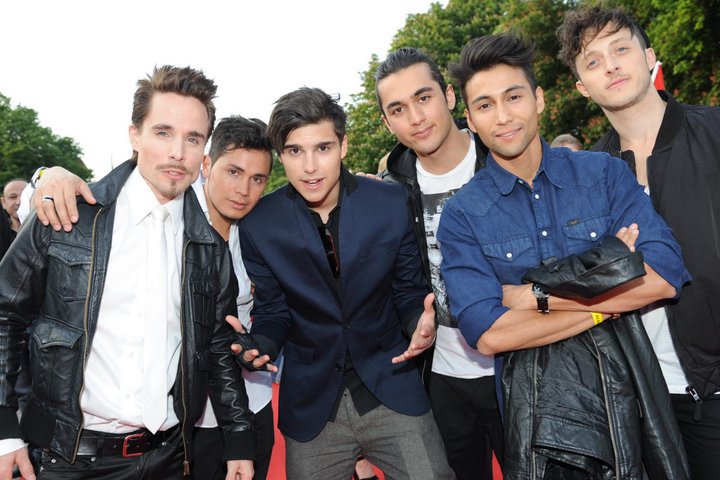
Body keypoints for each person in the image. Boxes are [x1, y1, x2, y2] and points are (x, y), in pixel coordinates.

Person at [437, 33, 691, 478]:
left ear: (538, 99)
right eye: (485, 105)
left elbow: (663, 276)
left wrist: (535, 296)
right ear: (471, 120)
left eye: (513, 97)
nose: (503, 116)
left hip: (631, 402)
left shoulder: (604, 173)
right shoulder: (462, 215)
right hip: (536, 423)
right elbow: (489, 333)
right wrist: (608, 294)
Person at [0, 65, 255, 480]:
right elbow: (5, 313)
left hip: (169, 458)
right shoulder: (67, 217)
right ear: (135, 135)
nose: (177, 152)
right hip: (67, 459)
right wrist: (3, 427)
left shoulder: (211, 248)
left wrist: (239, 437)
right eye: (163, 132)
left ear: (204, 151)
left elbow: (216, 347)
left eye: (193, 139)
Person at [232, 87, 454, 480]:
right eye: (295, 151)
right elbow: (273, 311)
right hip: (313, 405)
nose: (310, 166)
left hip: (390, 386)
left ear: (343, 146)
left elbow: (406, 291)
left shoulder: (388, 203)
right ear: (281, 155)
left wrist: (418, 325)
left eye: (322, 148)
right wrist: (259, 346)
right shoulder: (260, 223)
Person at [557, 7, 720, 478]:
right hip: (644, 401)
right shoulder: (586, 178)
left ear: (649, 57)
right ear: (582, 87)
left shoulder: (714, 132)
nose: (611, 65)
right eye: (593, 61)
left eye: (621, 49)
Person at [373, 47, 502, 480]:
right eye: (398, 109)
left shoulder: (502, 159)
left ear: (448, 96)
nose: (415, 117)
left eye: (423, 97)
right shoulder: (389, 193)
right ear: (387, 123)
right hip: (438, 377)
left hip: (521, 367)